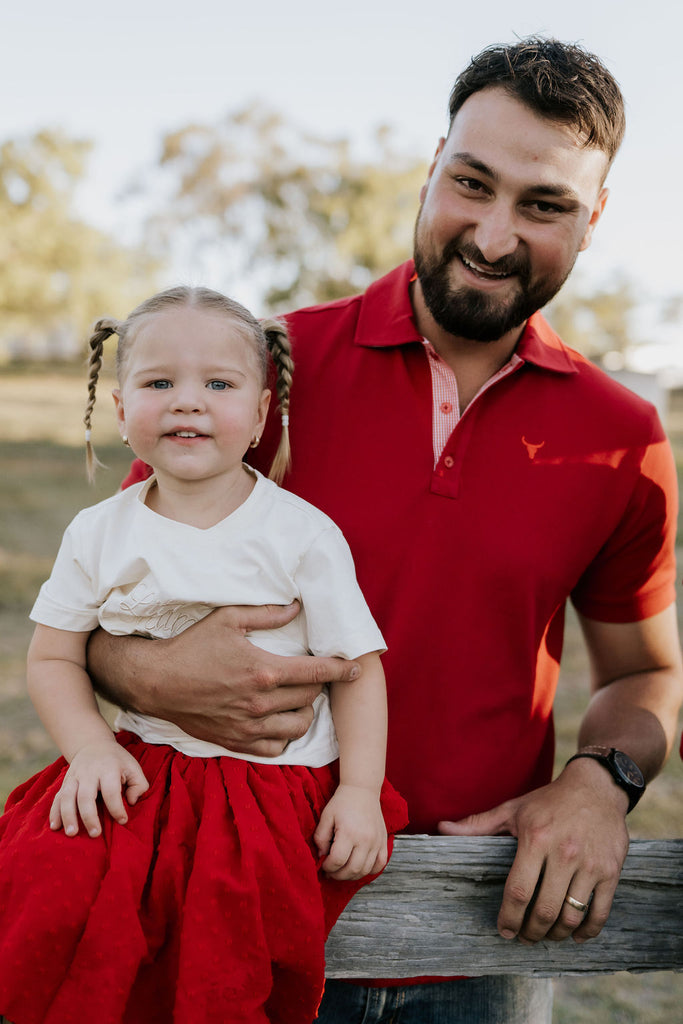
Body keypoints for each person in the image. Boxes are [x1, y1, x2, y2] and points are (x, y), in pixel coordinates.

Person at [89, 38, 683, 1024]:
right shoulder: (264, 369)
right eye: (470, 184)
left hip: (474, 937)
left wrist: (599, 779)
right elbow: (87, 623)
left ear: (593, 220)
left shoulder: (621, 438)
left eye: (542, 206)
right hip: (234, 913)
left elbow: (640, 674)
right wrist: (147, 674)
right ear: (431, 168)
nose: (491, 236)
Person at [0, 287, 407, 1024]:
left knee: (223, 952)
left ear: (258, 414)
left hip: (270, 788)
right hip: (143, 770)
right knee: (47, 877)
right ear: (122, 411)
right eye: (159, 383)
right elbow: (53, 658)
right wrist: (89, 748)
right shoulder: (99, 532)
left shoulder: (300, 535)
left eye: (218, 384)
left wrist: (357, 789)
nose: (187, 402)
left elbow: (357, 668)